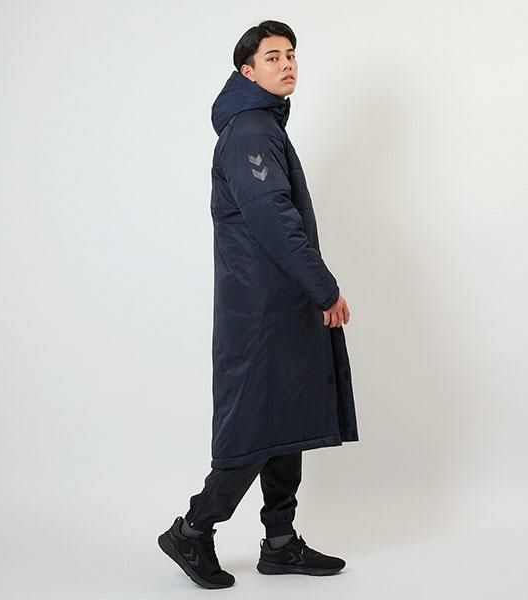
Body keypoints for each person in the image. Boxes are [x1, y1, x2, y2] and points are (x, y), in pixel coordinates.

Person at [157, 20, 359, 589]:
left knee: (284, 419)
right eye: (272, 57)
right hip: (262, 310)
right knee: (255, 423)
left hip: (277, 301)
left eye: (290, 54)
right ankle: (193, 530)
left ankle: (281, 543)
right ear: (247, 72)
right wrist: (324, 287)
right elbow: (274, 219)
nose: (287, 63)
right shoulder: (250, 130)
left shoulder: (262, 124)